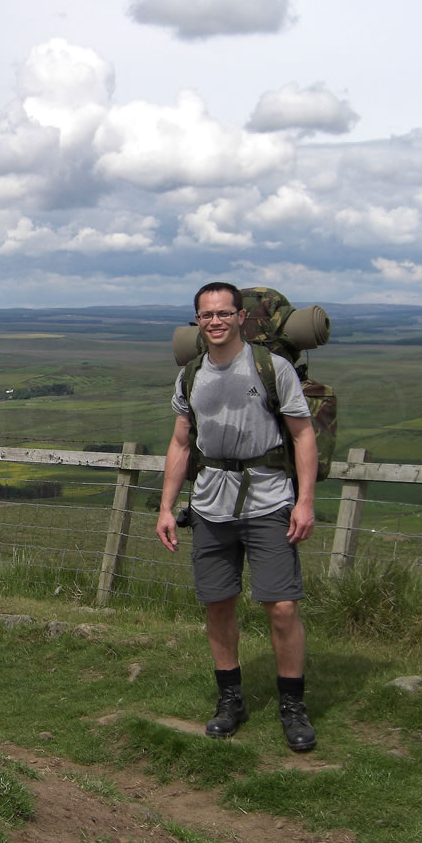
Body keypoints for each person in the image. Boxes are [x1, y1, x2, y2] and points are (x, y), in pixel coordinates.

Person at [155, 281, 319, 752]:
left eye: (224, 313)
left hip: (269, 502)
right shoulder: (190, 376)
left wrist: (304, 501)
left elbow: (303, 436)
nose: (215, 322)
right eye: (206, 316)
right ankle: (231, 701)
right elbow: (181, 443)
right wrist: (166, 507)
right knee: (218, 604)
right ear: (198, 322)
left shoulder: (273, 368)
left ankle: (293, 707)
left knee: (283, 607)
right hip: (210, 506)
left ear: (241, 317)